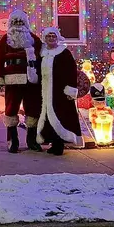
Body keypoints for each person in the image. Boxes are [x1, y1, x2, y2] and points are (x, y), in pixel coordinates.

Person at [0, 9, 43, 153]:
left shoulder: (34, 39)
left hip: (31, 80)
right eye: (15, 22)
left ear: (25, 24)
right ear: (10, 24)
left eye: (21, 22)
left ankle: (32, 140)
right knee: (11, 109)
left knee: (33, 108)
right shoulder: (5, 40)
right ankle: (12, 141)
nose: (18, 25)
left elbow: (41, 57)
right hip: (12, 80)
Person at [37, 27, 81, 155]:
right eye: (48, 36)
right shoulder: (42, 53)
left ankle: (59, 144)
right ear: (45, 38)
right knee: (47, 117)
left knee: (60, 116)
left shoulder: (64, 52)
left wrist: (70, 89)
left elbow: (72, 72)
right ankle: (52, 142)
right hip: (45, 91)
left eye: (53, 36)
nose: (51, 38)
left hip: (60, 91)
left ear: (57, 38)